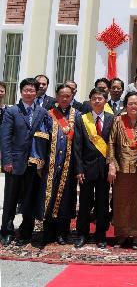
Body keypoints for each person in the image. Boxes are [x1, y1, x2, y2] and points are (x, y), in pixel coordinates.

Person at [0, 78, 50, 246]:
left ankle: (25, 232)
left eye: (32, 90)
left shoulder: (42, 112)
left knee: (29, 199)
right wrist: (6, 160)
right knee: (10, 199)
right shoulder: (12, 111)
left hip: (34, 164)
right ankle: (6, 231)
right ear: (21, 92)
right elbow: (5, 138)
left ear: (37, 93)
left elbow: (48, 136)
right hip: (14, 162)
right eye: (26, 90)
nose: (29, 93)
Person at [36, 83, 80, 245]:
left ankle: (63, 232)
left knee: (66, 200)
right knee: (50, 197)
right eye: (62, 95)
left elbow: (80, 144)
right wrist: (40, 161)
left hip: (70, 165)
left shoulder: (78, 115)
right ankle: (48, 232)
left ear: (72, 97)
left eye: (68, 95)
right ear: (57, 96)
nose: (64, 98)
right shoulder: (48, 115)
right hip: (51, 164)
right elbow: (41, 140)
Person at [107, 92, 137, 248]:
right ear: (126, 105)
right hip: (121, 168)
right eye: (130, 103)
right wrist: (111, 165)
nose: (133, 106)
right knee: (121, 203)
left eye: (136, 103)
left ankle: (136, 235)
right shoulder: (118, 121)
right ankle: (122, 235)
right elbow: (111, 143)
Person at [74, 87, 114, 248]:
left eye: (100, 98)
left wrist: (113, 166)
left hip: (104, 169)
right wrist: (78, 169)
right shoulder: (82, 119)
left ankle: (100, 234)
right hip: (86, 168)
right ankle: (82, 234)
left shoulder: (112, 119)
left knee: (103, 203)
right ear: (90, 101)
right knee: (84, 203)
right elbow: (77, 146)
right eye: (94, 98)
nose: (97, 101)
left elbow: (114, 145)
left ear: (105, 101)